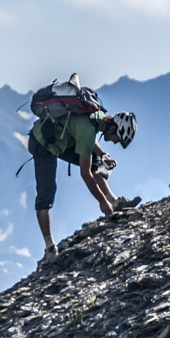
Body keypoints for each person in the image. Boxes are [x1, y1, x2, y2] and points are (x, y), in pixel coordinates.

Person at [28, 109, 139, 259]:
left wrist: (103, 154)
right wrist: (101, 202)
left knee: (97, 160)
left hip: (63, 137)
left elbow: (88, 133)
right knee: (46, 194)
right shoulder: (88, 130)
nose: (114, 141)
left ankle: (115, 202)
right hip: (42, 143)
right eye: (116, 138)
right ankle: (49, 248)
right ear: (113, 128)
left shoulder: (98, 115)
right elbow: (85, 174)